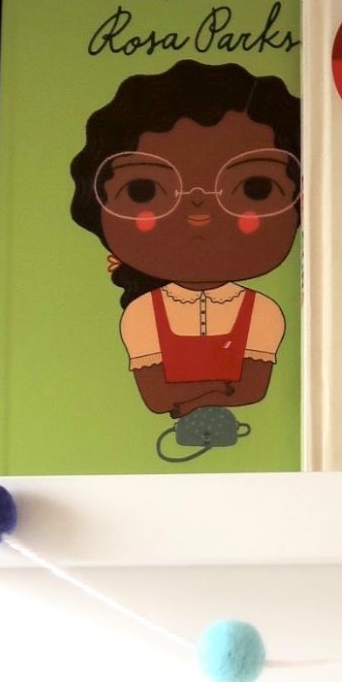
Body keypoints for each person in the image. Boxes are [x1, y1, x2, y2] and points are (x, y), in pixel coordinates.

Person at [70, 61, 301, 420]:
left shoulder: (264, 312)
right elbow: (156, 398)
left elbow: (254, 390)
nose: (199, 213)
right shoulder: (142, 315)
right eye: (144, 190)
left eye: (255, 188)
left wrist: (188, 400)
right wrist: (223, 390)